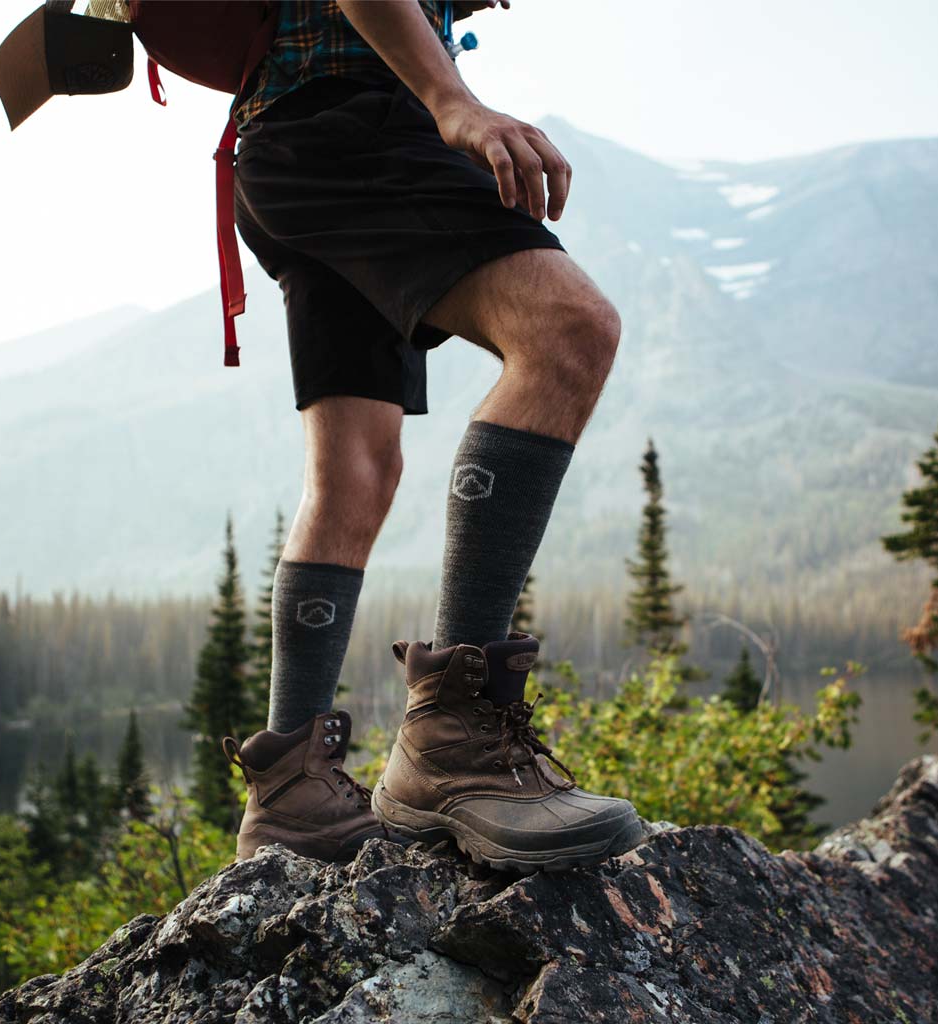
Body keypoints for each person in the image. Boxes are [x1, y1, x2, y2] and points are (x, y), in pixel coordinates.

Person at [218, 0, 643, 872]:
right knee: (569, 332)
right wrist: (454, 101)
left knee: (354, 475)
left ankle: (291, 793)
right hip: (356, 123)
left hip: (285, 144)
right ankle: (452, 742)